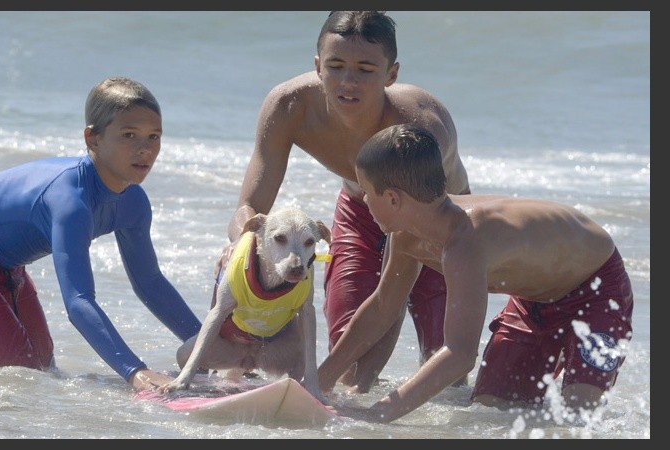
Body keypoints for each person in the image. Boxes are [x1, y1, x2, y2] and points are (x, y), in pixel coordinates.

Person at [223, 11, 471, 393]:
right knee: (349, 363)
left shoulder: (417, 128)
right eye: (335, 66)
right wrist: (241, 247)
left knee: (444, 374)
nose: (348, 82)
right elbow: (250, 207)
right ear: (318, 66)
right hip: (360, 210)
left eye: (366, 69)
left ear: (391, 74)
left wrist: (365, 386)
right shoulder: (289, 106)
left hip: (439, 222)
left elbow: (397, 282)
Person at [318, 123, 633, 422]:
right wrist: (319, 382)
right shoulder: (406, 235)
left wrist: (378, 414)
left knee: (576, 418)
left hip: (596, 291)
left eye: (367, 193)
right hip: (532, 302)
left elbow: (459, 354)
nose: (365, 202)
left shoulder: (463, 243)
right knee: (489, 411)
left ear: (392, 198)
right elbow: (382, 306)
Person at [0, 76, 202, 391]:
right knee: (19, 374)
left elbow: (150, 284)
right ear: (93, 139)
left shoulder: (133, 202)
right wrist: (135, 372)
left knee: (41, 370)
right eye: (128, 135)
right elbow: (78, 302)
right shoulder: (70, 201)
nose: (145, 149)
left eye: (154, 136)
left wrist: (206, 348)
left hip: (7, 266)